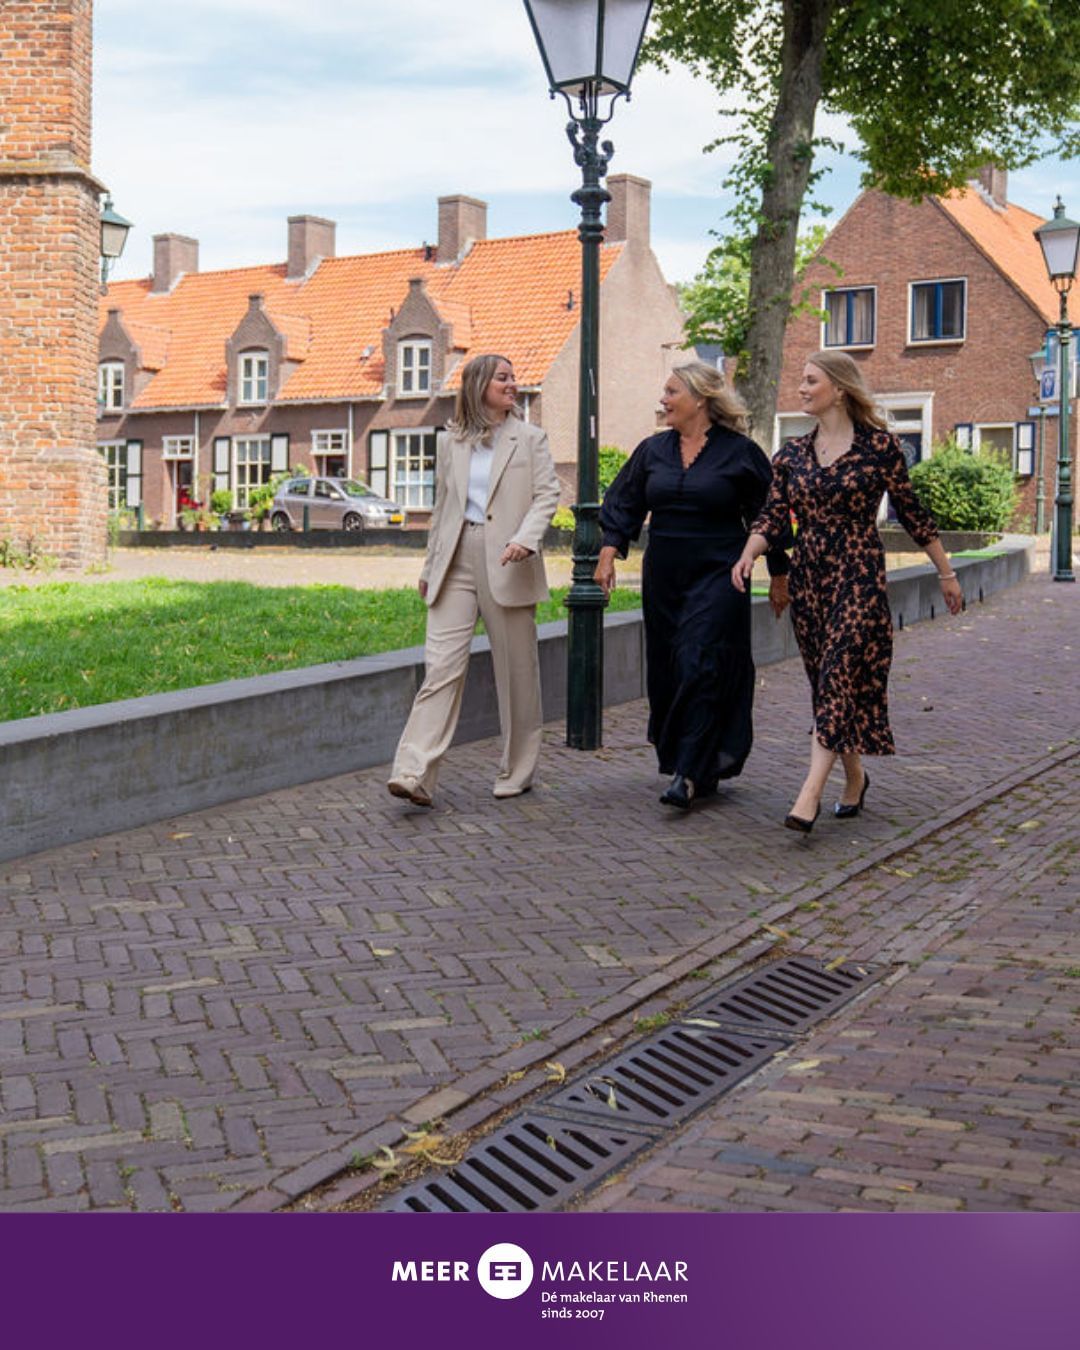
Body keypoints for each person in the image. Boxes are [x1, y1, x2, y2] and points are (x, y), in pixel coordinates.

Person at [732, 350, 963, 833]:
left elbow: (913, 513)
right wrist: (750, 553)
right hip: (809, 577)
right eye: (800, 379)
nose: (800, 388)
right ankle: (854, 779)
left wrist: (946, 573)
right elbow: (774, 517)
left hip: (858, 570)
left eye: (810, 380)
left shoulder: (881, 448)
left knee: (839, 673)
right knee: (827, 685)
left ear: (838, 388)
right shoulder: (790, 454)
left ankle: (808, 795)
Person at [595, 361, 791, 809]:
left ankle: (686, 773)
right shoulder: (652, 451)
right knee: (670, 666)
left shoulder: (740, 453)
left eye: (671, 391)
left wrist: (779, 573)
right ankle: (696, 763)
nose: (662, 399)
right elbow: (623, 503)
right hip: (664, 574)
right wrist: (608, 553)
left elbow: (770, 513)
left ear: (700, 398)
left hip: (722, 572)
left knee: (699, 659)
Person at [388, 353, 560, 807]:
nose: (512, 383)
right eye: (503, 377)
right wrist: (430, 568)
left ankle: (517, 771)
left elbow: (547, 495)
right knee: (441, 666)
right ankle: (413, 771)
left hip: (509, 558)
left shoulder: (530, 439)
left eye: (513, 376)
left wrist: (527, 539)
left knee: (517, 672)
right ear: (479, 384)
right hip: (456, 559)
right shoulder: (451, 442)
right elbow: (444, 509)